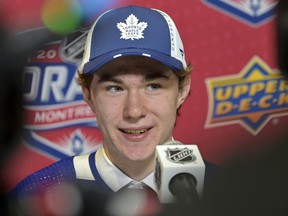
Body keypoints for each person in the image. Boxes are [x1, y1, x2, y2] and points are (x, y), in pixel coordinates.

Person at [7, 5, 217, 215]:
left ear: (182, 89)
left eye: (153, 86)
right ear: (88, 94)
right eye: (115, 88)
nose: (134, 110)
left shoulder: (225, 191)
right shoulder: (37, 197)